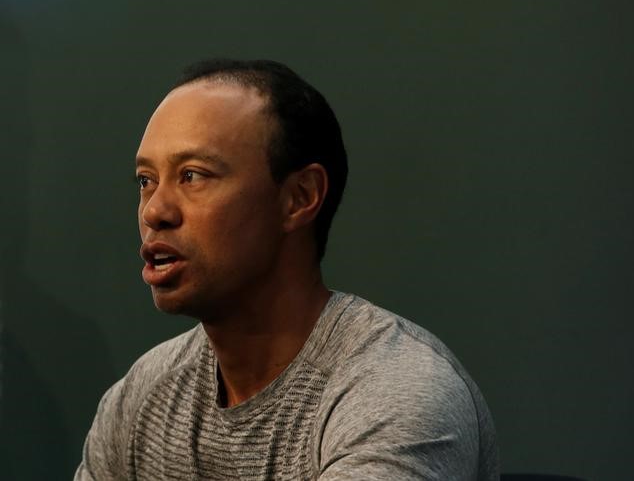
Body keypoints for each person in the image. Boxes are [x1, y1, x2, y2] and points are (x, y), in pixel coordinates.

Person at [75, 59, 499, 480]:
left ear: (299, 197)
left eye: (192, 176)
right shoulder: (142, 397)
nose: (155, 211)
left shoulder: (398, 391)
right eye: (146, 181)